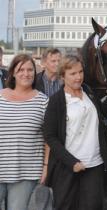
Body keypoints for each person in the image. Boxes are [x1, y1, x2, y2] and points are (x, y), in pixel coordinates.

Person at [43, 55, 107, 210]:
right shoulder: (56, 101)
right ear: (62, 76)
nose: (78, 77)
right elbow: (50, 136)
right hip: (67, 167)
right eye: (73, 74)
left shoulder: (89, 92)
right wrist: (72, 162)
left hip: (95, 164)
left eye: (80, 72)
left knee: (94, 206)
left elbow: (101, 115)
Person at [0, 54, 49, 210]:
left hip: (26, 172)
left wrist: (46, 167)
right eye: (21, 69)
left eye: (30, 70)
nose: (26, 74)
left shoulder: (42, 101)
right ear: (13, 72)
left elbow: (49, 139)